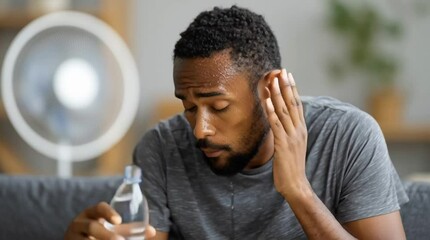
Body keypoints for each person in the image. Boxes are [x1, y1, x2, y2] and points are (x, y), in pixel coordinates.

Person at [65, 5, 409, 240]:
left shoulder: (349, 138)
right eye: (188, 106)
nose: (200, 129)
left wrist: (298, 191)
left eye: (218, 106)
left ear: (270, 90)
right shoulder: (161, 148)